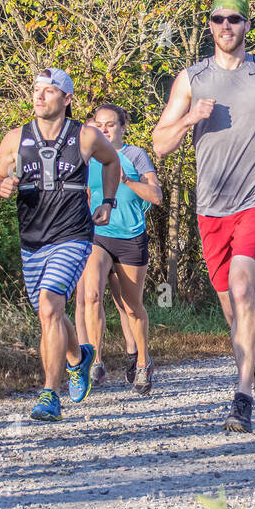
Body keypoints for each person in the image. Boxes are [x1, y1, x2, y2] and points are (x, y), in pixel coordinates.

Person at [151, 0, 255, 433]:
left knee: (244, 291)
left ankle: (241, 397)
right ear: (209, 26)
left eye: (234, 19)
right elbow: (160, 144)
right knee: (230, 307)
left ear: (245, 25)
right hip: (210, 207)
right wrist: (188, 120)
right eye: (219, 19)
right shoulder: (191, 79)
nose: (226, 25)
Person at [0, 69, 121, 422]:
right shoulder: (16, 138)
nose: (40, 96)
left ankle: (49, 394)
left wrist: (108, 201)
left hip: (73, 235)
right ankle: (78, 358)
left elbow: (112, 160)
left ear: (67, 99)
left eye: (49, 91)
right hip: (32, 239)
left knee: (50, 307)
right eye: (36, 90)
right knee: (51, 314)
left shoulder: (85, 136)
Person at [75, 103, 161, 396]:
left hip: (130, 236)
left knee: (131, 307)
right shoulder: (87, 156)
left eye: (111, 124)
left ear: (123, 127)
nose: (104, 129)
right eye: (99, 124)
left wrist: (127, 179)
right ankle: (96, 360)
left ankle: (142, 361)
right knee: (91, 294)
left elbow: (156, 196)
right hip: (97, 235)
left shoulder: (135, 155)